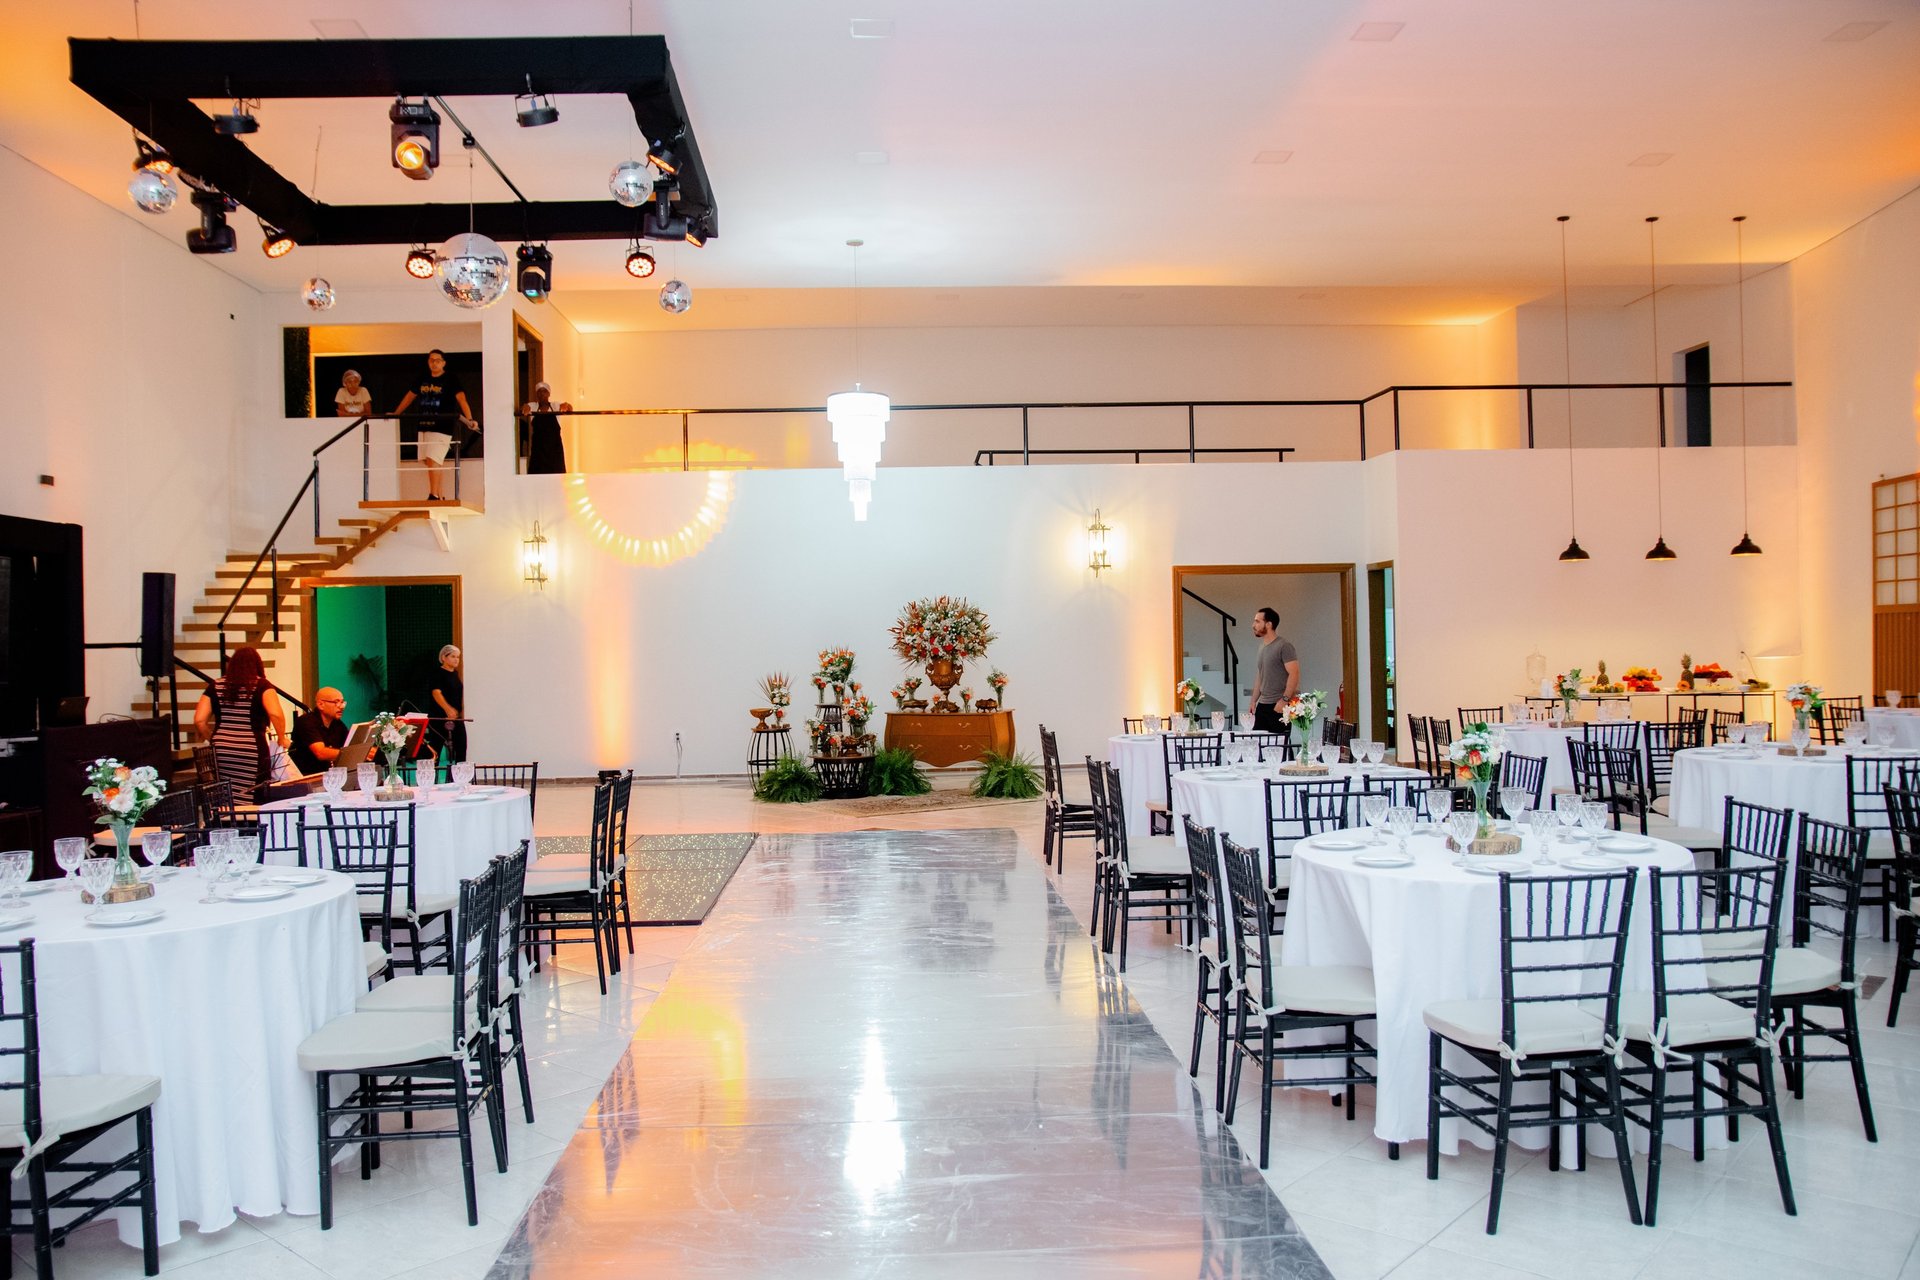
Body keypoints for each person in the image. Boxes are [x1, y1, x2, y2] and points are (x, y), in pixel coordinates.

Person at [192, 646, 288, 800]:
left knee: (226, 793)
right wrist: (282, 738)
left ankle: (229, 818)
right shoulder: (262, 685)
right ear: (257, 664)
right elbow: (276, 714)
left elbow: (199, 720)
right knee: (253, 792)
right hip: (252, 748)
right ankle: (250, 821)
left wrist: (213, 738)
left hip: (221, 750)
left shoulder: (216, 685)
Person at [389, 349, 475, 502]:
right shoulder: (423, 378)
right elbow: (410, 396)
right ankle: (440, 494)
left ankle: (433, 495)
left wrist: (469, 418)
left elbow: (462, 399)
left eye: (437, 360)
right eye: (431, 360)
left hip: (442, 425)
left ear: (443, 363)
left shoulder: (450, 378)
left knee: (433, 458)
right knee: (428, 461)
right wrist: (397, 413)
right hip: (424, 424)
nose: (434, 363)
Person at [1247, 606, 1300, 733]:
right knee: (1258, 745)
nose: (1253, 625)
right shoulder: (1262, 647)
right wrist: (1253, 701)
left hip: (1278, 705)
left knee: (1281, 746)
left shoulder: (1284, 646)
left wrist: (1285, 700)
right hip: (1263, 705)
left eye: (1257, 621)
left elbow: (1294, 673)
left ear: (1269, 624)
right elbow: (1260, 675)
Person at [288, 687, 349, 775]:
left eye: (342, 702)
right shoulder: (306, 721)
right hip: (305, 778)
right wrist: (351, 754)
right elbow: (320, 753)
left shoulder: (338, 724)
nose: (341, 706)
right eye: (336, 702)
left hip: (328, 776)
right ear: (321, 704)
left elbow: (350, 745)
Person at [428, 643, 466, 766]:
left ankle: (459, 779)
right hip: (440, 717)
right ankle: (431, 779)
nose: (456, 659)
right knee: (435, 750)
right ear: (444, 657)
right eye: (453, 656)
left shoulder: (455, 674)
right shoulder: (437, 673)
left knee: (461, 747)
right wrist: (448, 709)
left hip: (456, 718)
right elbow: (436, 693)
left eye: (458, 657)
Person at [521, 381, 570, 474]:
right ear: (536, 394)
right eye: (539, 391)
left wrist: (566, 406)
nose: (542, 393)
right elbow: (525, 407)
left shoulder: (555, 406)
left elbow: (568, 407)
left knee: (556, 477)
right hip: (538, 450)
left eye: (544, 391)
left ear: (549, 394)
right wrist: (525, 407)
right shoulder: (533, 406)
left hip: (555, 450)